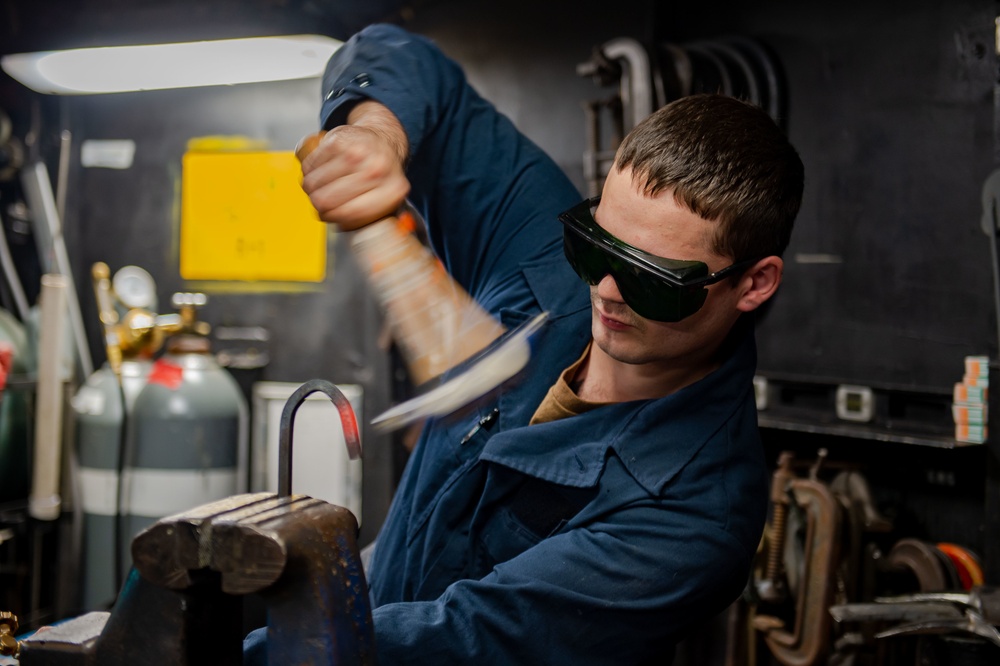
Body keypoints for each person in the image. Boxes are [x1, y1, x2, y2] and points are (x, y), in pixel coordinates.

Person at [246, 22, 803, 665]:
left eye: (656, 281)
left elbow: (461, 642)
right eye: (596, 245)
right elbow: (393, 52)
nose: (608, 292)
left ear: (754, 283)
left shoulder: (694, 516)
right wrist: (373, 135)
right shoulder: (538, 258)